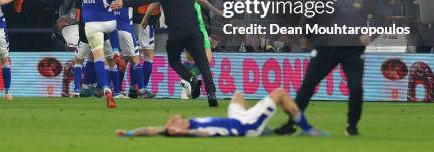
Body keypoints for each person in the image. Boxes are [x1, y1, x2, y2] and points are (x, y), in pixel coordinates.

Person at [276, 0, 382, 136]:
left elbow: (383, 19)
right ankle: (291, 124)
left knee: (356, 87)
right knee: (308, 84)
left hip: (353, 48)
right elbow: (313, 11)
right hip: (326, 44)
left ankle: (352, 126)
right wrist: (306, 35)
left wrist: (371, 35)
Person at [111, 0, 218, 107]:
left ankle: (192, 80)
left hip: (177, 33)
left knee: (174, 61)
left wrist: (124, 4)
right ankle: (212, 95)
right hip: (194, 31)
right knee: (203, 64)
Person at [81, 0, 165, 108]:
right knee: (130, 53)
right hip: (110, 22)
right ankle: (136, 84)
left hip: (90, 23)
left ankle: (107, 89)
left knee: (99, 57)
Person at [116, 89, 327, 137]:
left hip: (237, 118)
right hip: (248, 125)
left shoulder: (185, 124)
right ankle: (307, 129)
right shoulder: (199, 129)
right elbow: (204, 134)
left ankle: (268, 129)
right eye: (174, 120)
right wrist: (185, 133)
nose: (174, 117)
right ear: (179, 127)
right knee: (280, 93)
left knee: (237, 96)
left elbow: (151, 130)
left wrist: (129, 133)